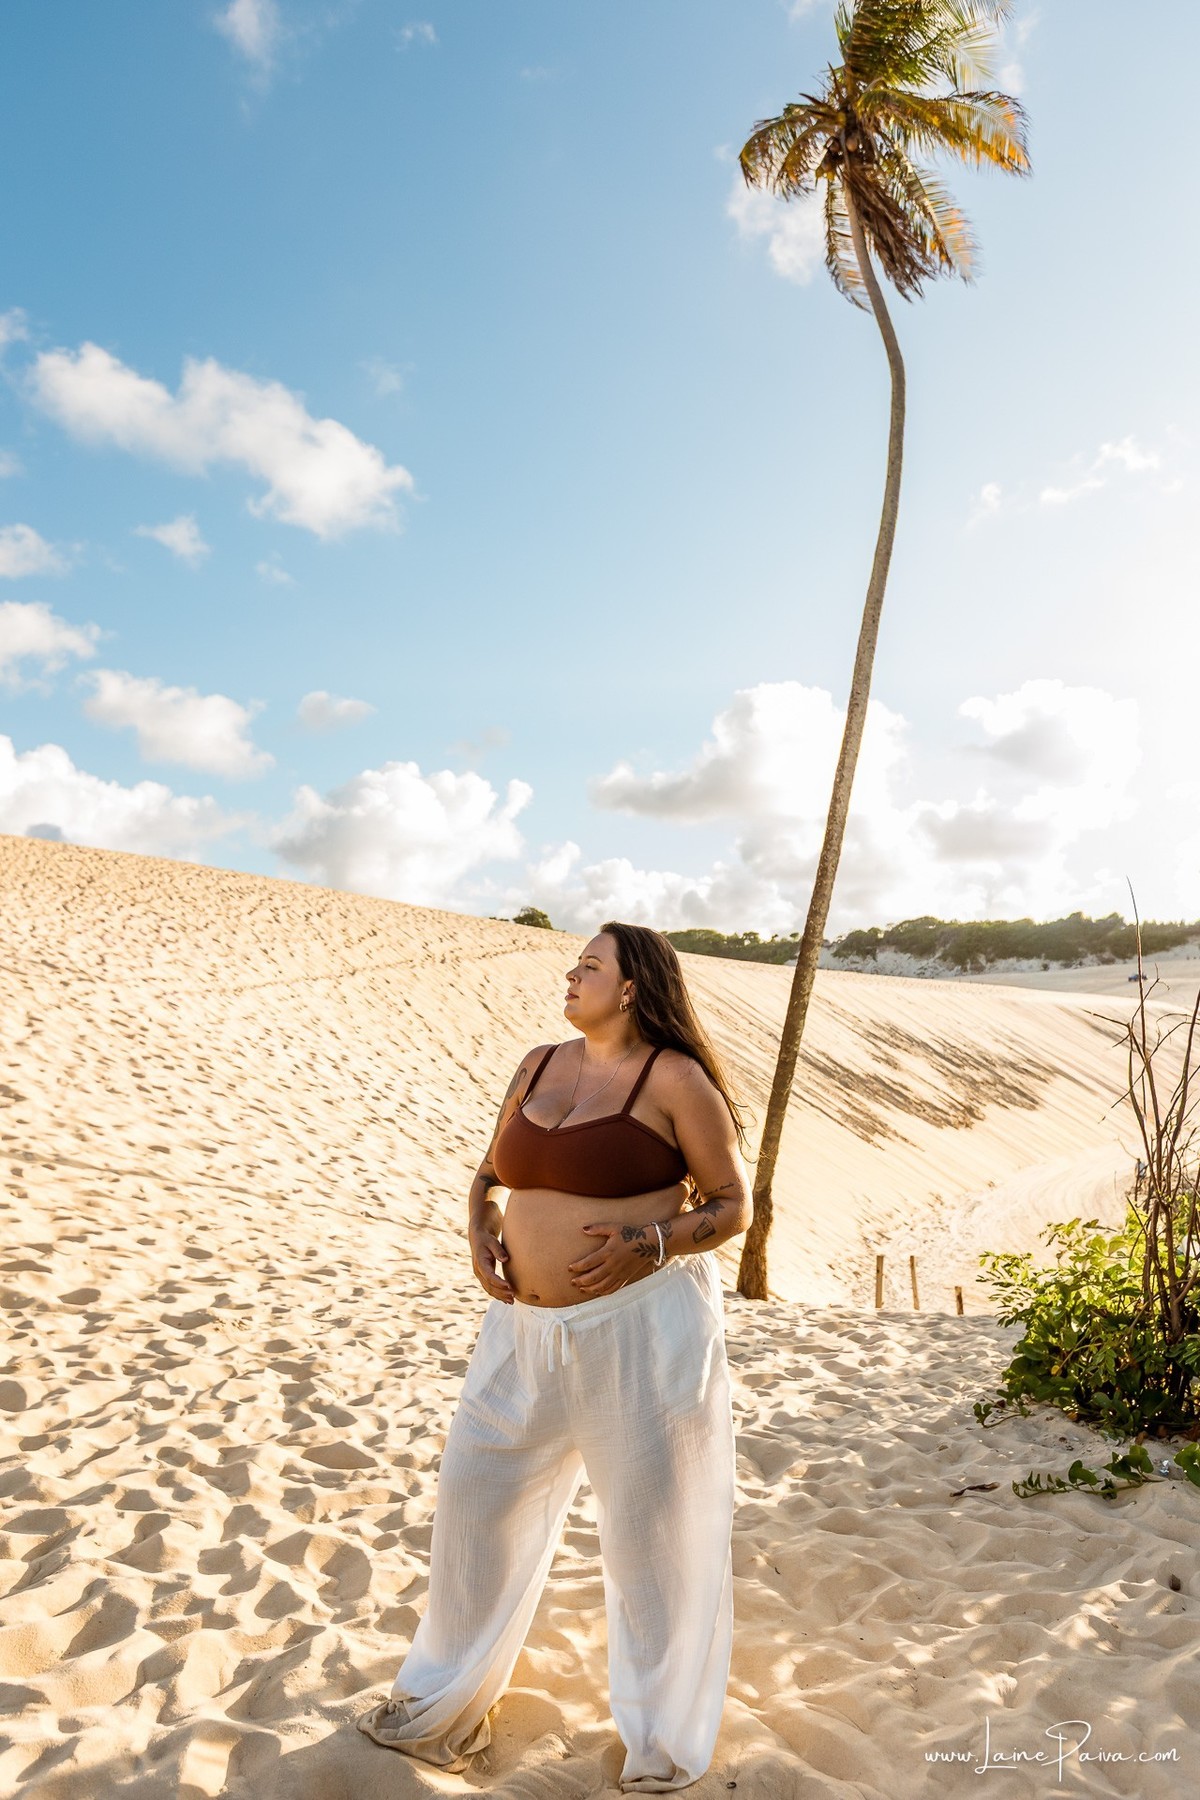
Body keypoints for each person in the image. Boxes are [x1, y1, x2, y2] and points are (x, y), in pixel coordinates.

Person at [357, 919, 754, 1793]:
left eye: (589, 965)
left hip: (640, 1334)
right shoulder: (538, 1064)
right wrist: (479, 1226)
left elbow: (732, 1208)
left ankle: (660, 1741)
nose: (570, 974)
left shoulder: (675, 1079)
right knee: (474, 1503)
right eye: (573, 962)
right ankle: (438, 1701)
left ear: (633, 989)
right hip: (521, 1335)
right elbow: (491, 1170)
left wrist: (647, 1241)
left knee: (653, 1542)